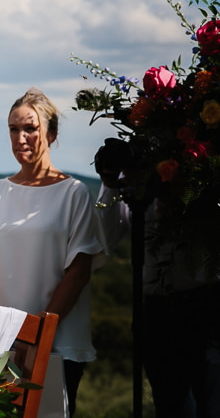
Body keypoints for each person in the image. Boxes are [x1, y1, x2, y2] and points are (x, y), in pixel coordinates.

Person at [0, 88, 104, 416]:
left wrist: (39, 333)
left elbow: (79, 270)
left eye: (30, 128)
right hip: (0, 344)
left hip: (57, 343)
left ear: (52, 133)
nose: (21, 137)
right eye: (14, 129)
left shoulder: (73, 194)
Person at [94, 139, 220, 418]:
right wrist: (109, 181)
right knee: (171, 407)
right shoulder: (133, 186)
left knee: (213, 406)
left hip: (206, 303)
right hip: (156, 310)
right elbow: (107, 238)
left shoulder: (195, 173)